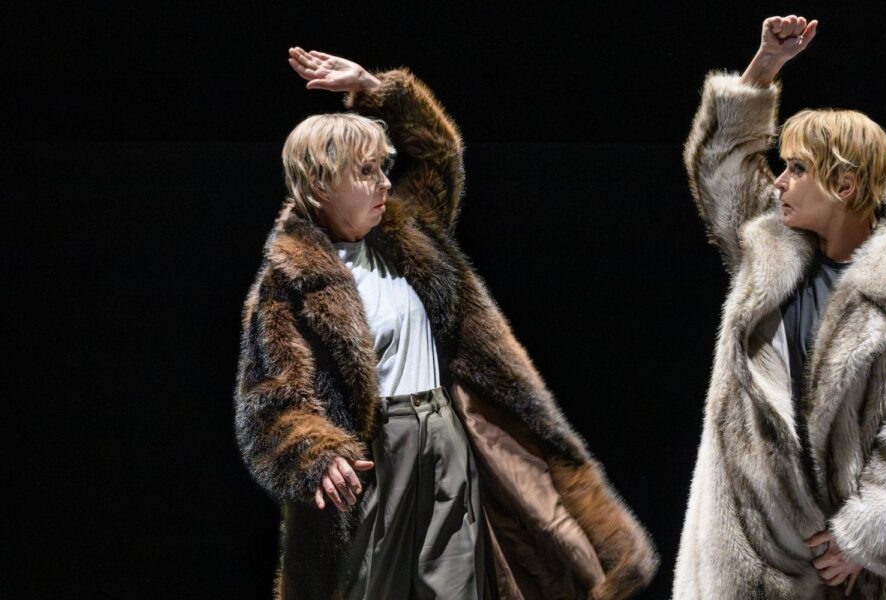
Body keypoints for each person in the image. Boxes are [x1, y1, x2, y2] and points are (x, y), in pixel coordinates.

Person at [234, 48, 657, 599]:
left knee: (460, 586)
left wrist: (373, 88)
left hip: (446, 431)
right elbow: (269, 403)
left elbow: (439, 154)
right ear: (319, 184)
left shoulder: (410, 233)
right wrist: (314, 454)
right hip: (376, 455)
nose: (385, 184)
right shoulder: (289, 283)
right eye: (366, 171)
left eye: (384, 168)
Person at [672, 16, 886, 600]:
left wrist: (863, 540)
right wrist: (765, 65)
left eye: (797, 169)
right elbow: (721, 166)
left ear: (845, 186)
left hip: (851, 573)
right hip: (746, 562)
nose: (779, 182)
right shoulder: (767, 249)